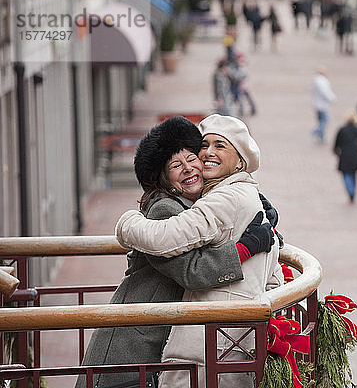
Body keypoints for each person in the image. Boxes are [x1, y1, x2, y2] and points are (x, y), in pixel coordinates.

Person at [75, 117, 276, 388]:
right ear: (164, 177)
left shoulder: (196, 205)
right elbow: (193, 273)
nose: (189, 169)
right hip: (130, 350)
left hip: (151, 338)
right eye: (175, 165)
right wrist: (246, 247)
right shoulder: (164, 209)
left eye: (192, 159)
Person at [333, 110, 357, 203]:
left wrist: (336, 151)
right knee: (354, 174)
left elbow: (336, 144)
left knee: (346, 174)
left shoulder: (342, 130)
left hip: (344, 155)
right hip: (355, 155)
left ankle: (350, 190)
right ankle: (353, 191)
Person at [312, 66, 336, 143]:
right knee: (325, 121)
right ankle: (316, 131)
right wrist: (332, 98)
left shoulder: (317, 80)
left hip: (318, 104)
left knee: (320, 121)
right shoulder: (321, 81)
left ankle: (321, 138)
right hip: (322, 105)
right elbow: (325, 92)